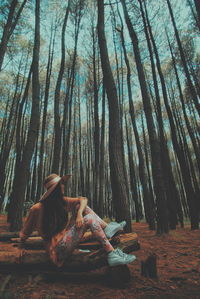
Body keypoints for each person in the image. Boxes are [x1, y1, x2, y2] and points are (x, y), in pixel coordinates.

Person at [19, 173, 136, 267]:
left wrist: (79, 213)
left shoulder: (62, 201)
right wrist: (21, 247)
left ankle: (107, 228)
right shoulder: (37, 209)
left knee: (82, 207)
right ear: (54, 189)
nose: (64, 186)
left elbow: (83, 199)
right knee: (89, 219)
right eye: (61, 184)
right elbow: (26, 231)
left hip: (65, 238)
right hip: (57, 249)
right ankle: (111, 253)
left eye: (63, 183)